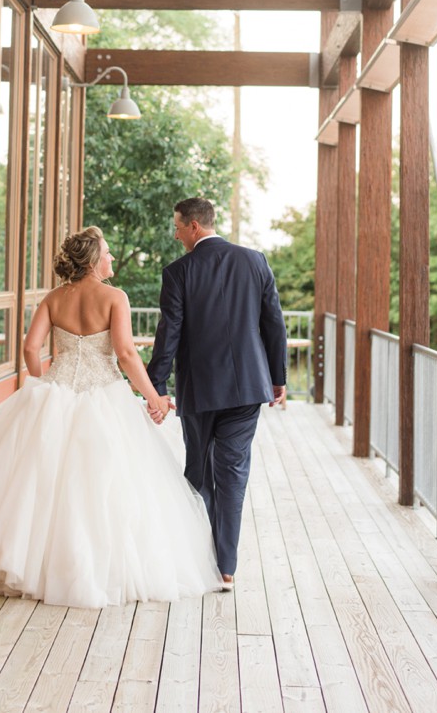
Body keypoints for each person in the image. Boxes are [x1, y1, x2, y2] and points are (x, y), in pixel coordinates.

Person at [0, 226, 221, 608]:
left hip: (55, 393)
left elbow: (30, 347)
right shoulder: (114, 297)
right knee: (104, 484)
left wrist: (45, 383)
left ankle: (26, 563)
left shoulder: (54, 298)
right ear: (92, 262)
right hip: (104, 395)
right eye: (106, 253)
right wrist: (155, 396)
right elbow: (125, 353)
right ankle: (92, 569)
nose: (111, 259)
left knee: (35, 483)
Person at [147, 198, 286, 588]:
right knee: (234, 473)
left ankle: (198, 558)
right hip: (246, 389)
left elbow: (168, 334)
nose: (175, 234)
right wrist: (278, 377)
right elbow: (274, 323)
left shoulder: (178, 272)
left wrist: (157, 387)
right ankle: (226, 567)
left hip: (201, 388)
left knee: (198, 472)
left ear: (194, 226)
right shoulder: (254, 261)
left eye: (177, 226)